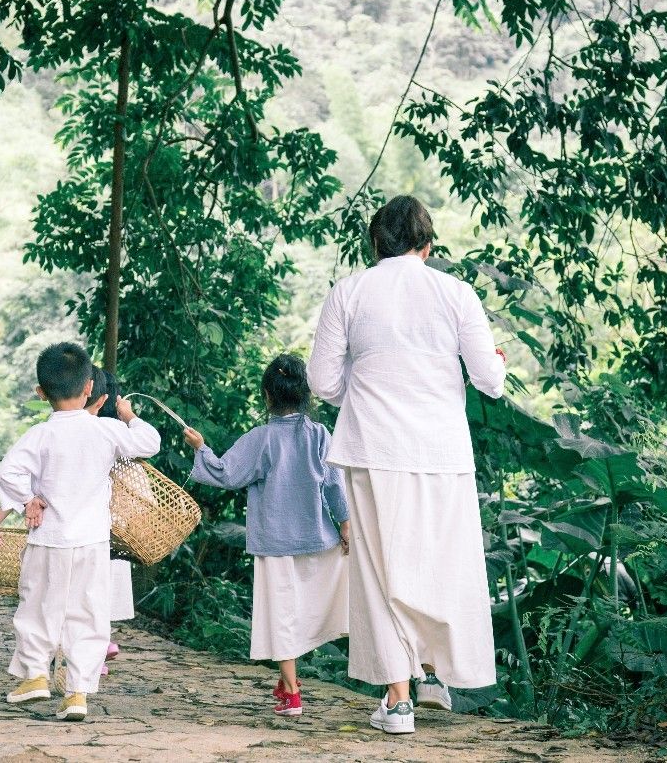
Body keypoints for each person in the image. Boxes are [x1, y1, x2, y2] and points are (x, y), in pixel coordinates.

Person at [306, 195, 506, 736]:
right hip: (442, 450)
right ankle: (436, 675)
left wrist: (368, 383)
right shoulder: (456, 293)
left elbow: (322, 383)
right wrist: (496, 366)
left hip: (373, 447)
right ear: (429, 245)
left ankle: (398, 701)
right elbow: (489, 378)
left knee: (379, 567)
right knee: (442, 560)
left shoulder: (348, 292)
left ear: (375, 244)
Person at [0, 342, 161, 721]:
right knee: (88, 613)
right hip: (91, 542)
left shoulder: (39, 435)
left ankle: (35, 674)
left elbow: (8, 473)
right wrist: (129, 415)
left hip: (48, 538)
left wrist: (28, 500)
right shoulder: (107, 431)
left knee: (37, 607)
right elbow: (151, 442)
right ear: (89, 387)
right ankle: (77, 693)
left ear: (41, 392)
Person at [182, 353, 351, 718]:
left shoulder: (261, 438)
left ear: (267, 395)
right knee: (322, 604)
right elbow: (336, 484)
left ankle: (291, 691)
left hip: (275, 544)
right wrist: (346, 523)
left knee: (282, 615)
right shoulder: (320, 434)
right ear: (306, 393)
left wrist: (201, 448)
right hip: (318, 539)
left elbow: (226, 473)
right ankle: (297, 682)